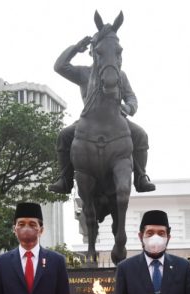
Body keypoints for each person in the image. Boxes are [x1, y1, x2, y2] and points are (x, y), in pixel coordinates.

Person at [48, 34, 155, 194]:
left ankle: (140, 177)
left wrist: (127, 108)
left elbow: (131, 97)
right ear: (92, 52)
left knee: (140, 135)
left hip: (117, 120)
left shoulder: (120, 74)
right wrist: (76, 48)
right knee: (64, 135)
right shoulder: (82, 73)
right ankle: (65, 179)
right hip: (89, 121)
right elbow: (59, 66)